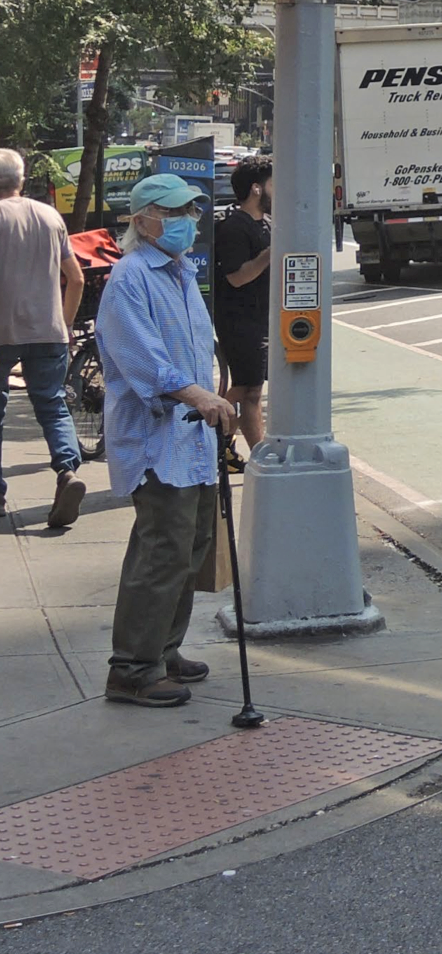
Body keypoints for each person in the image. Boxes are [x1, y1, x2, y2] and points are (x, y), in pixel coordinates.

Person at [97, 174, 239, 708]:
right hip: (157, 440)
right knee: (162, 552)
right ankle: (133, 668)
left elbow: (196, 349)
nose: (188, 222)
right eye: (174, 212)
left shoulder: (180, 272)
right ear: (143, 221)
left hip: (192, 439)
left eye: (192, 212)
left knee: (189, 550)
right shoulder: (130, 278)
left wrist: (211, 397)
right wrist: (198, 395)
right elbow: (144, 360)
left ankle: (163, 650)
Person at [0, 148, 87, 528]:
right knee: (52, 405)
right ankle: (67, 471)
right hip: (48, 329)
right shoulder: (50, 217)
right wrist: (64, 325)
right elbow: (76, 278)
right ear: (22, 179)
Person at [214, 156, 273, 450]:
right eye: (273, 184)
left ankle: (221, 443)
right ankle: (208, 430)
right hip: (239, 321)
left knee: (252, 390)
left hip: (261, 319)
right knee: (248, 391)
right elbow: (237, 277)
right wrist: (271, 253)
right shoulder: (235, 228)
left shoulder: (267, 224)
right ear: (256, 189)